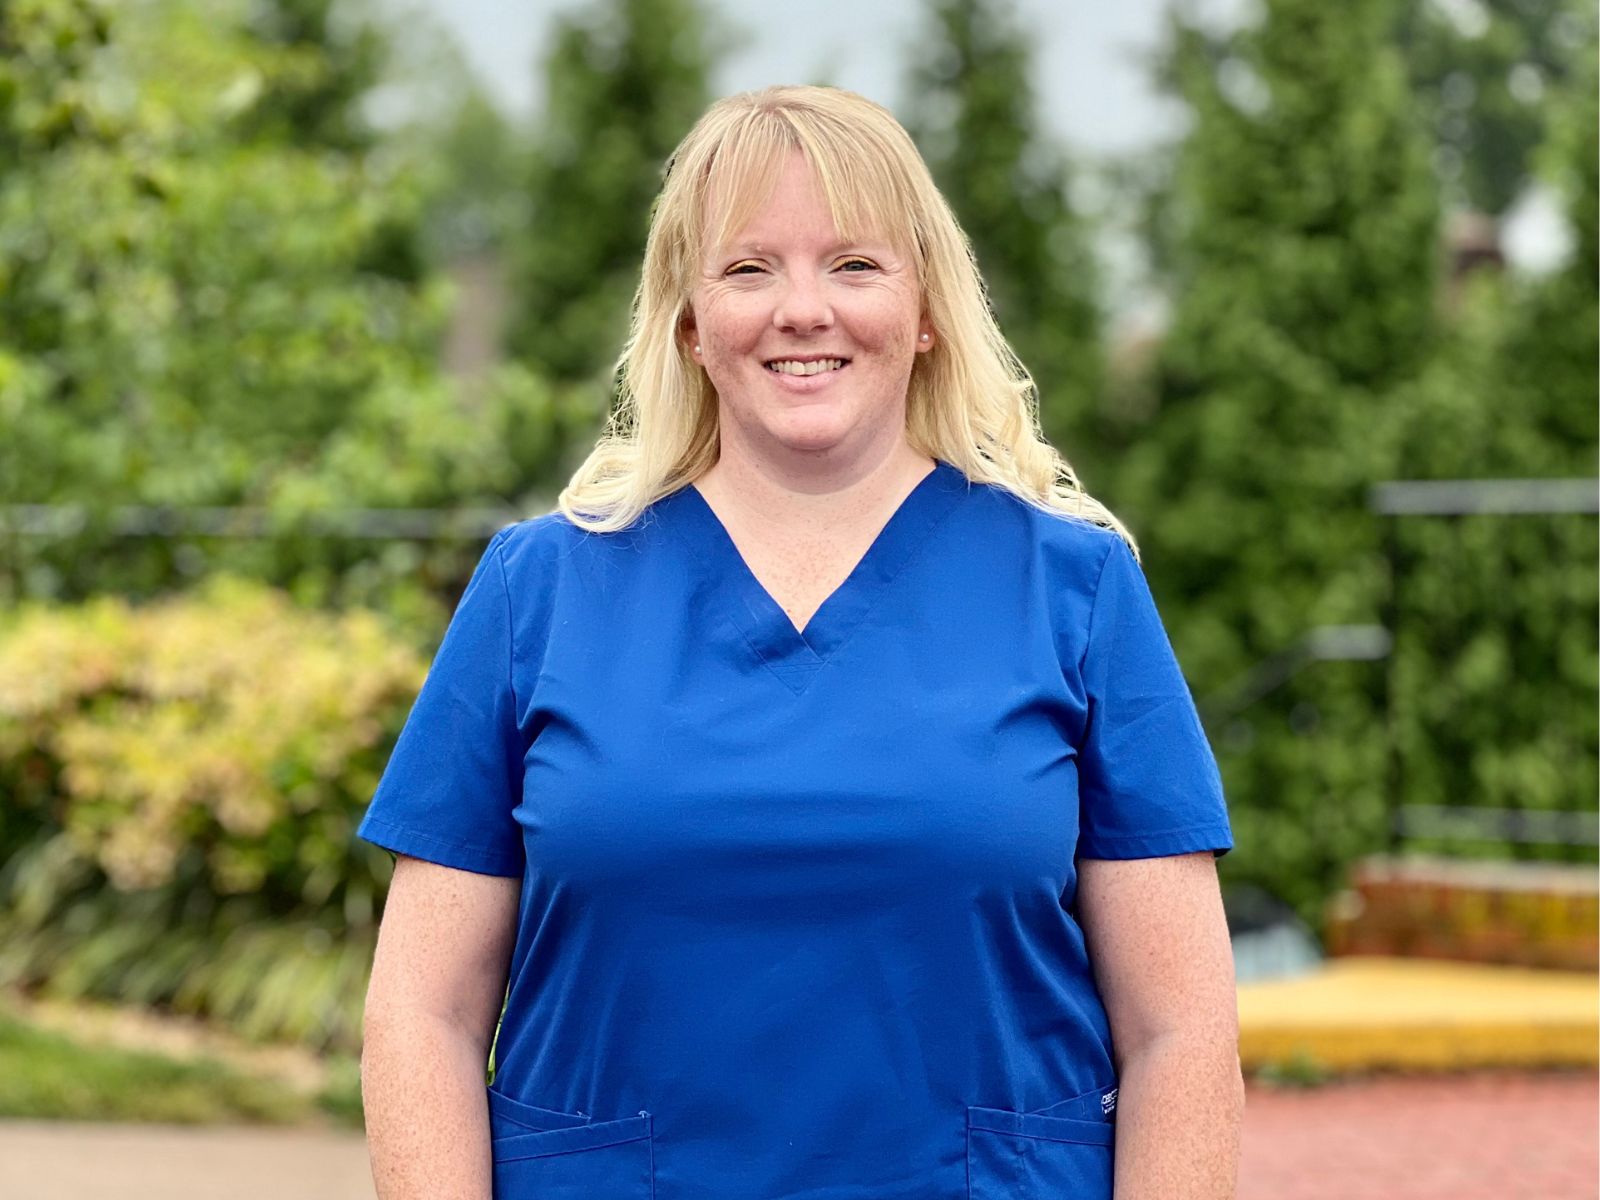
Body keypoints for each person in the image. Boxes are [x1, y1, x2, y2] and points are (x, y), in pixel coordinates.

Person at [357, 84, 1242, 1200]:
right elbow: (419, 1015)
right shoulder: (538, 591)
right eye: (747, 268)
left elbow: (1182, 1032)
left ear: (926, 308)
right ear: (688, 317)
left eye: (855, 265)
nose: (802, 309)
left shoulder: (1074, 590)